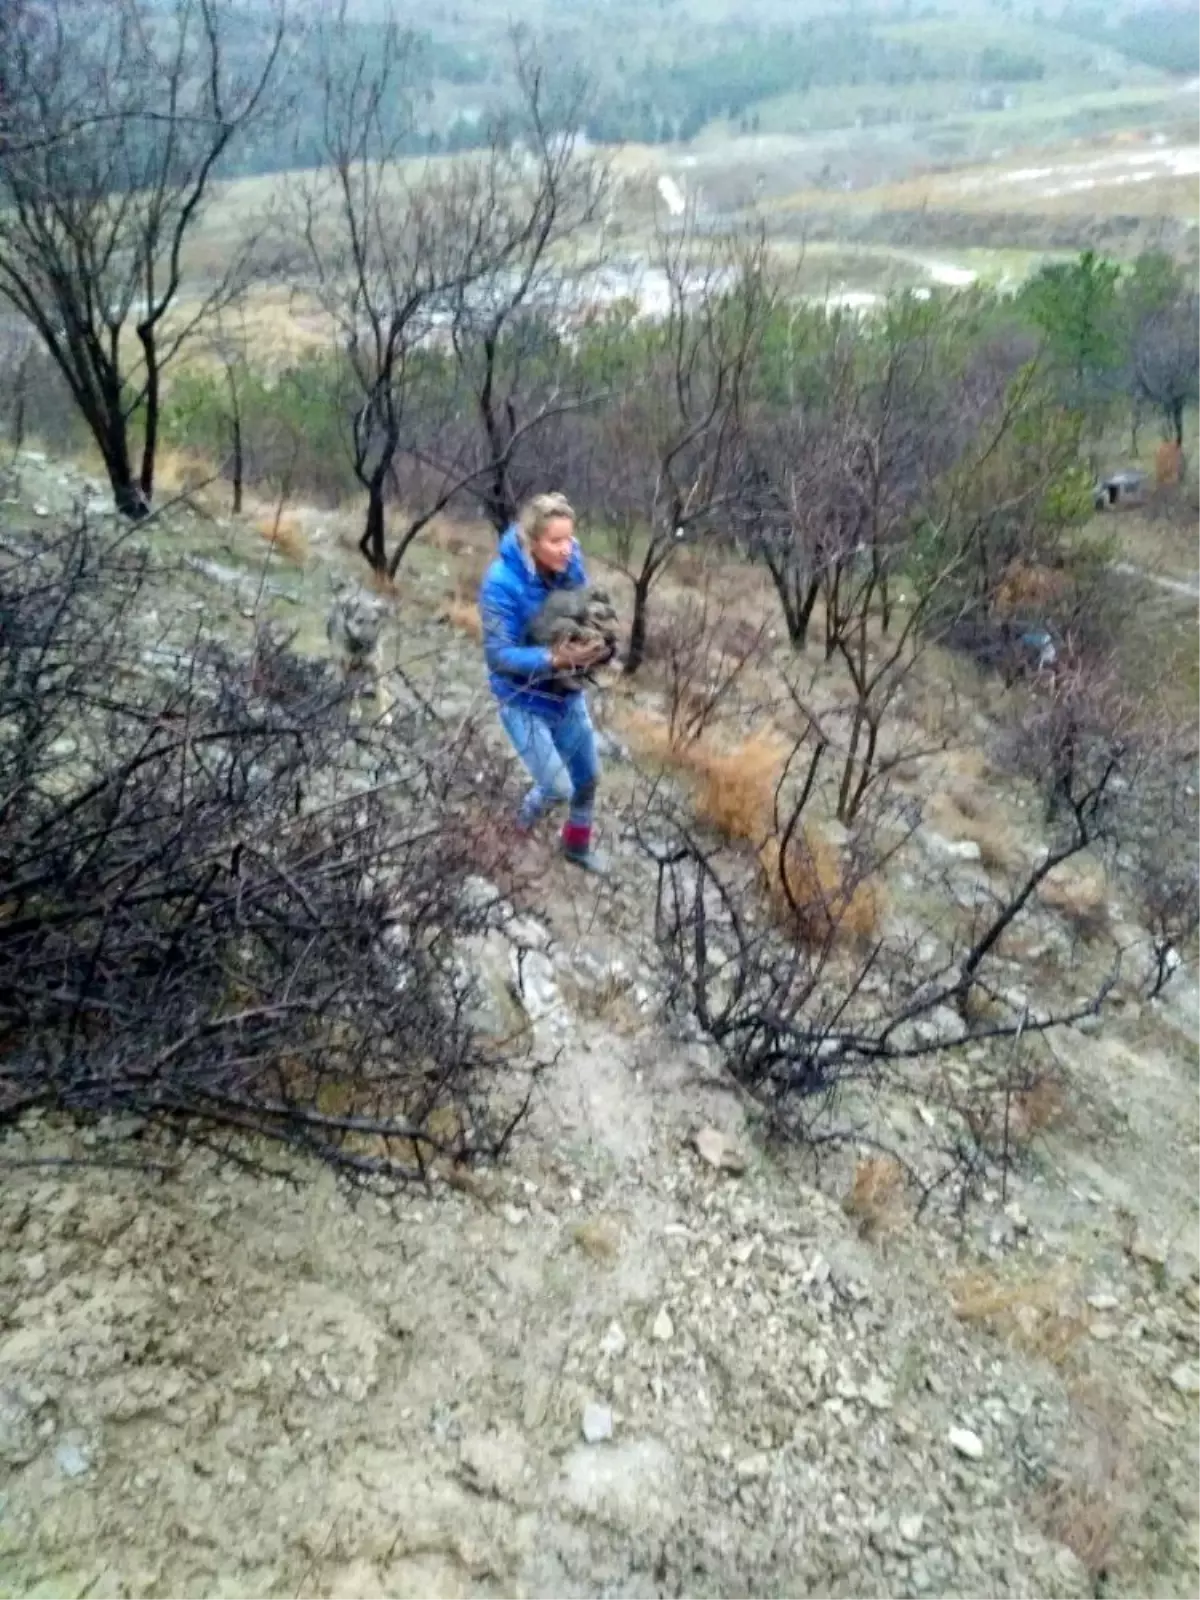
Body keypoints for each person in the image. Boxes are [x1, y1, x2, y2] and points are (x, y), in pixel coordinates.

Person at [479, 492, 610, 874]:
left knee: (587, 777)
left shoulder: (571, 560)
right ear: (532, 541)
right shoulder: (501, 584)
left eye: (570, 539)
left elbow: (582, 605)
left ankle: (576, 847)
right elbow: (498, 656)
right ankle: (512, 837)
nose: (567, 549)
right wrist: (552, 658)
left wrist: (594, 640)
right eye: (556, 541)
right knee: (556, 789)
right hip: (522, 699)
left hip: (565, 694)